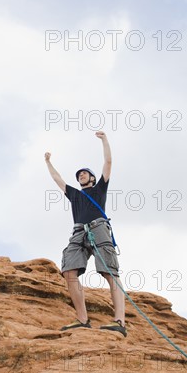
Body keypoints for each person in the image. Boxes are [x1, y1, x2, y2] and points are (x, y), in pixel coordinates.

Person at [44, 131, 126, 336]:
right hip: (78, 232)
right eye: (79, 174)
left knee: (110, 272)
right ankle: (82, 319)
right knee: (69, 271)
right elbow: (57, 178)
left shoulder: (99, 189)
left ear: (91, 177)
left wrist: (105, 140)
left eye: (84, 173)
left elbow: (108, 162)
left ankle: (119, 321)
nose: (81, 175)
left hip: (98, 227)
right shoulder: (74, 194)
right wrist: (48, 162)